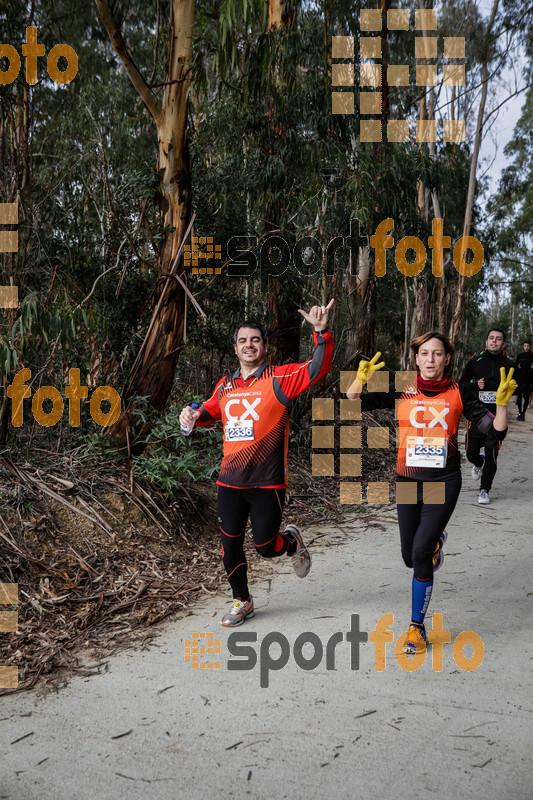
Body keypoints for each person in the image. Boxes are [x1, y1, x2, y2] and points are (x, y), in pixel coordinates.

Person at [347, 333, 516, 656]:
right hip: (408, 480)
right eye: (424, 353)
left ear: (447, 359)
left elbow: (493, 429)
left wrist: (502, 406)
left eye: (437, 354)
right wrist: (359, 380)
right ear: (416, 359)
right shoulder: (403, 389)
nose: (430, 360)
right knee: (409, 556)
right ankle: (435, 542)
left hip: (444, 481)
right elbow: (354, 402)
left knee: (421, 554)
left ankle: (416, 628)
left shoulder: (460, 391)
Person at [179, 300, 334, 627]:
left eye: (255, 340)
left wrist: (321, 332)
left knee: (265, 546)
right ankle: (243, 601)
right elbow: (207, 411)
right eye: (243, 341)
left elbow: (317, 367)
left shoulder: (281, 378)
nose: (249, 345)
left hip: (267, 483)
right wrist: (191, 414)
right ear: (235, 348)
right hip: (229, 483)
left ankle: (291, 541)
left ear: (265, 346)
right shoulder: (226, 385)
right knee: (229, 545)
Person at [459, 328, 516, 504]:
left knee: (492, 453)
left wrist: (509, 390)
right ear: (486, 342)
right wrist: (475, 385)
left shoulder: (509, 365)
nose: (494, 341)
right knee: (471, 453)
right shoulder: (476, 361)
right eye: (491, 338)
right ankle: (478, 463)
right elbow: (461, 384)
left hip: (498, 415)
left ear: (503, 344)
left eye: (498, 339)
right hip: (477, 414)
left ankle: (484, 490)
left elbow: (519, 386)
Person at [515, 341, 533, 421]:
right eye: (525, 346)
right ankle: (519, 412)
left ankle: (523, 413)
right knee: (519, 397)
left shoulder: (532, 356)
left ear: (530, 347)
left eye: (528, 346)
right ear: (523, 346)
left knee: (526, 398)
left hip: (529, 379)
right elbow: (515, 366)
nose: (526, 347)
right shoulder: (519, 356)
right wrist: (517, 367)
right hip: (520, 379)